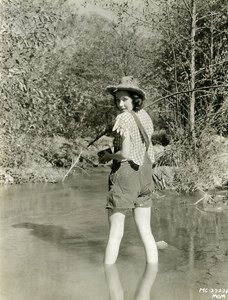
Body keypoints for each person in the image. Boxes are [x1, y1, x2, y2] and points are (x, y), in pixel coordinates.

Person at [100, 76, 158, 265]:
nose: (121, 104)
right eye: (118, 100)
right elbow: (142, 146)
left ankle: (108, 280)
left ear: (135, 98)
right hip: (145, 174)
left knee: (115, 235)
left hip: (126, 176)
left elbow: (125, 154)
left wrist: (108, 156)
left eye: (125, 99)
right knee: (147, 232)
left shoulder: (123, 118)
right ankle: (151, 279)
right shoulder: (145, 116)